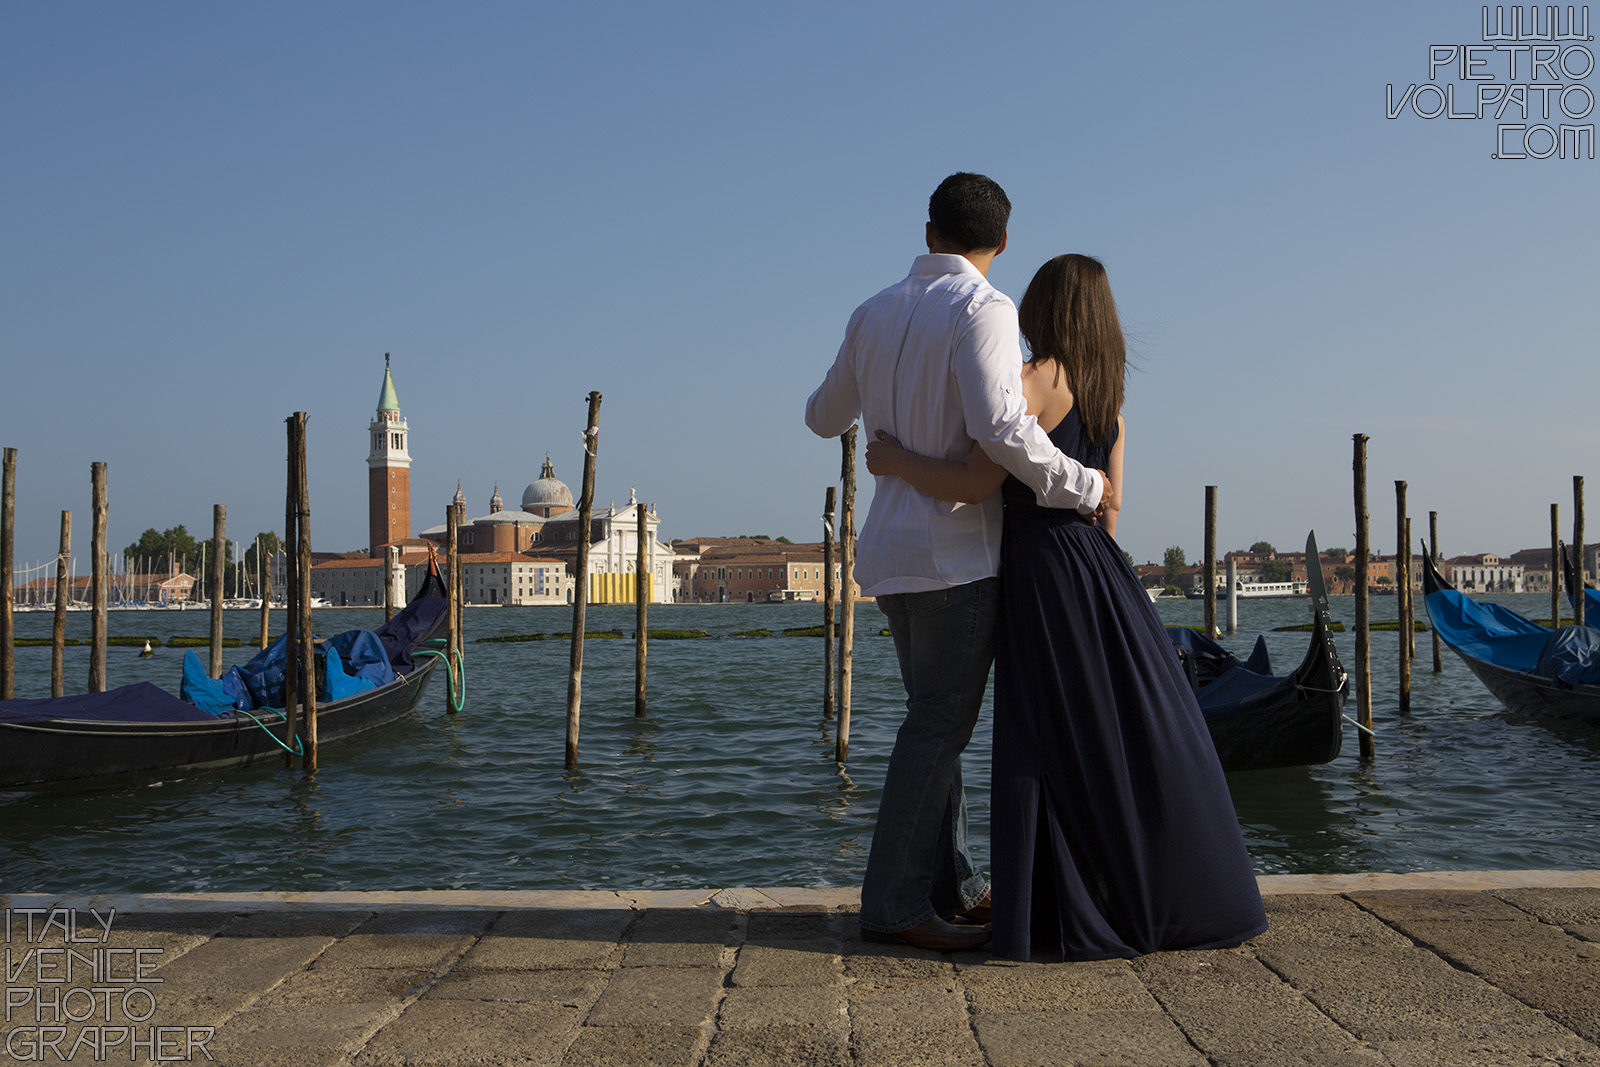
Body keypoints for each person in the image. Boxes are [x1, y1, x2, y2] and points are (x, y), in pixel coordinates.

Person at [865, 253, 1267, 961]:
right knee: (1107, 736)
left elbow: (976, 478)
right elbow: (1111, 510)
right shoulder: (1108, 396)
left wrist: (894, 459)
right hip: (1099, 574)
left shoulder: (1035, 381)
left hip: (1041, 574)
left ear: (1044, 308)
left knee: (1041, 736)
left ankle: (1039, 902)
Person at [805, 174, 1108, 952]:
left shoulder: (871, 310)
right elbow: (1002, 431)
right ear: (1001, 245)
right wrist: (1085, 484)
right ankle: (896, 904)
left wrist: (887, 418)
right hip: (955, 553)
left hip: (890, 559)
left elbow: (821, 416)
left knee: (935, 721)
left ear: (929, 229)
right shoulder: (986, 308)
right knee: (938, 727)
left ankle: (959, 883)